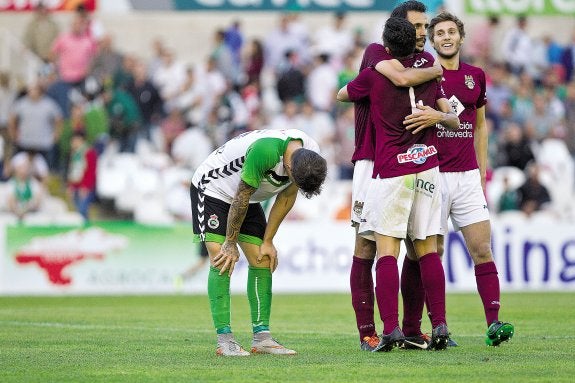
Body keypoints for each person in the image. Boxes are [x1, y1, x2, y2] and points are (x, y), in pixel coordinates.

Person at [338, 16, 459, 352]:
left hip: (390, 169)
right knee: (427, 249)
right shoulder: (429, 71)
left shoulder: (374, 75)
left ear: (387, 46)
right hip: (428, 166)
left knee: (386, 250)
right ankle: (439, 326)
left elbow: (343, 94)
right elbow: (451, 113)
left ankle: (391, 329)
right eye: (420, 27)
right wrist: (433, 76)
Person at [399, 11, 514, 347]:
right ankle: (439, 328)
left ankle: (494, 323)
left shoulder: (475, 76)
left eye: (451, 32)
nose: (446, 37)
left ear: (461, 38)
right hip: (432, 174)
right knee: (431, 253)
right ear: (433, 41)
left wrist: (482, 172)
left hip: (466, 178)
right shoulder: (423, 76)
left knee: (482, 248)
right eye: (440, 33)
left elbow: (479, 126)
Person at [189, 128, 327, 356]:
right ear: (289, 167)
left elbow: (287, 196)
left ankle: (262, 338)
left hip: (249, 196)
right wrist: (230, 243)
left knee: (263, 259)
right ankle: (225, 340)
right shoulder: (266, 151)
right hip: (213, 189)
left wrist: (269, 241)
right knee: (222, 259)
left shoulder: (310, 156)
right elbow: (241, 195)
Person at [67, 130, 97, 222]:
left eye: (75, 140)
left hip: (85, 187)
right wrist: (71, 186)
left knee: (82, 211)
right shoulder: (75, 154)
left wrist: (85, 187)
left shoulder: (89, 153)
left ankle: (86, 231)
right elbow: (72, 171)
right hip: (76, 185)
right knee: (78, 211)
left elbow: (91, 171)